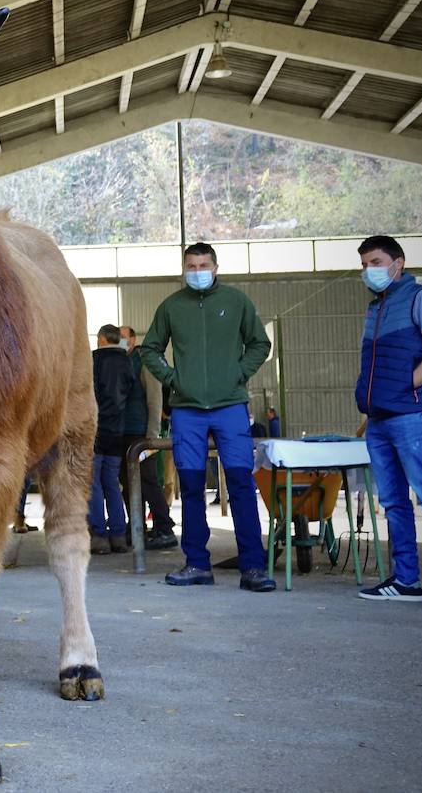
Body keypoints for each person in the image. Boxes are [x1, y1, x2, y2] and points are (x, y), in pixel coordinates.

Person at [139, 243, 275, 592]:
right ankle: (197, 563)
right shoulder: (171, 307)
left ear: (215, 266)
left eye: (203, 265)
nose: (197, 270)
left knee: (242, 484)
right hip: (187, 411)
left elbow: (260, 344)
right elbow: (150, 348)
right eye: (191, 265)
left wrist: (237, 374)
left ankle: (253, 568)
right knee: (192, 486)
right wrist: (173, 380)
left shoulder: (236, 302)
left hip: (230, 406)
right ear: (184, 269)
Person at [352, 235, 422, 611]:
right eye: (363, 264)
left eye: (375, 262)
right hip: (379, 420)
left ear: (398, 263)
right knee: (393, 503)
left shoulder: (420, 298)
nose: (369, 270)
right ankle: (406, 580)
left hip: (412, 417)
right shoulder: (374, 308)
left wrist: (403, 386)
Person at [118, 325, 176, 549]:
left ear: (133, 339)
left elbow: (154, 399)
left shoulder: (143, 361)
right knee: (128, 481)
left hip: (142, 433)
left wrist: (152, 435)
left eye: (124, 337)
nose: (121, 341)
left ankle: (164, 527)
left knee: (149, 480)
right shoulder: (121, 360)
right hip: (124, 432)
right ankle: (136, 525)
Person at [90, 324, 135, 554]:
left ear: (101, 339)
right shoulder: (127, 362)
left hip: (96, 430)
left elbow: (90, 392)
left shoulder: (94, 361)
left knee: (93, 482)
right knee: (111, 482)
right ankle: (118, 535)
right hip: (118, 430)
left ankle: (99, 536)